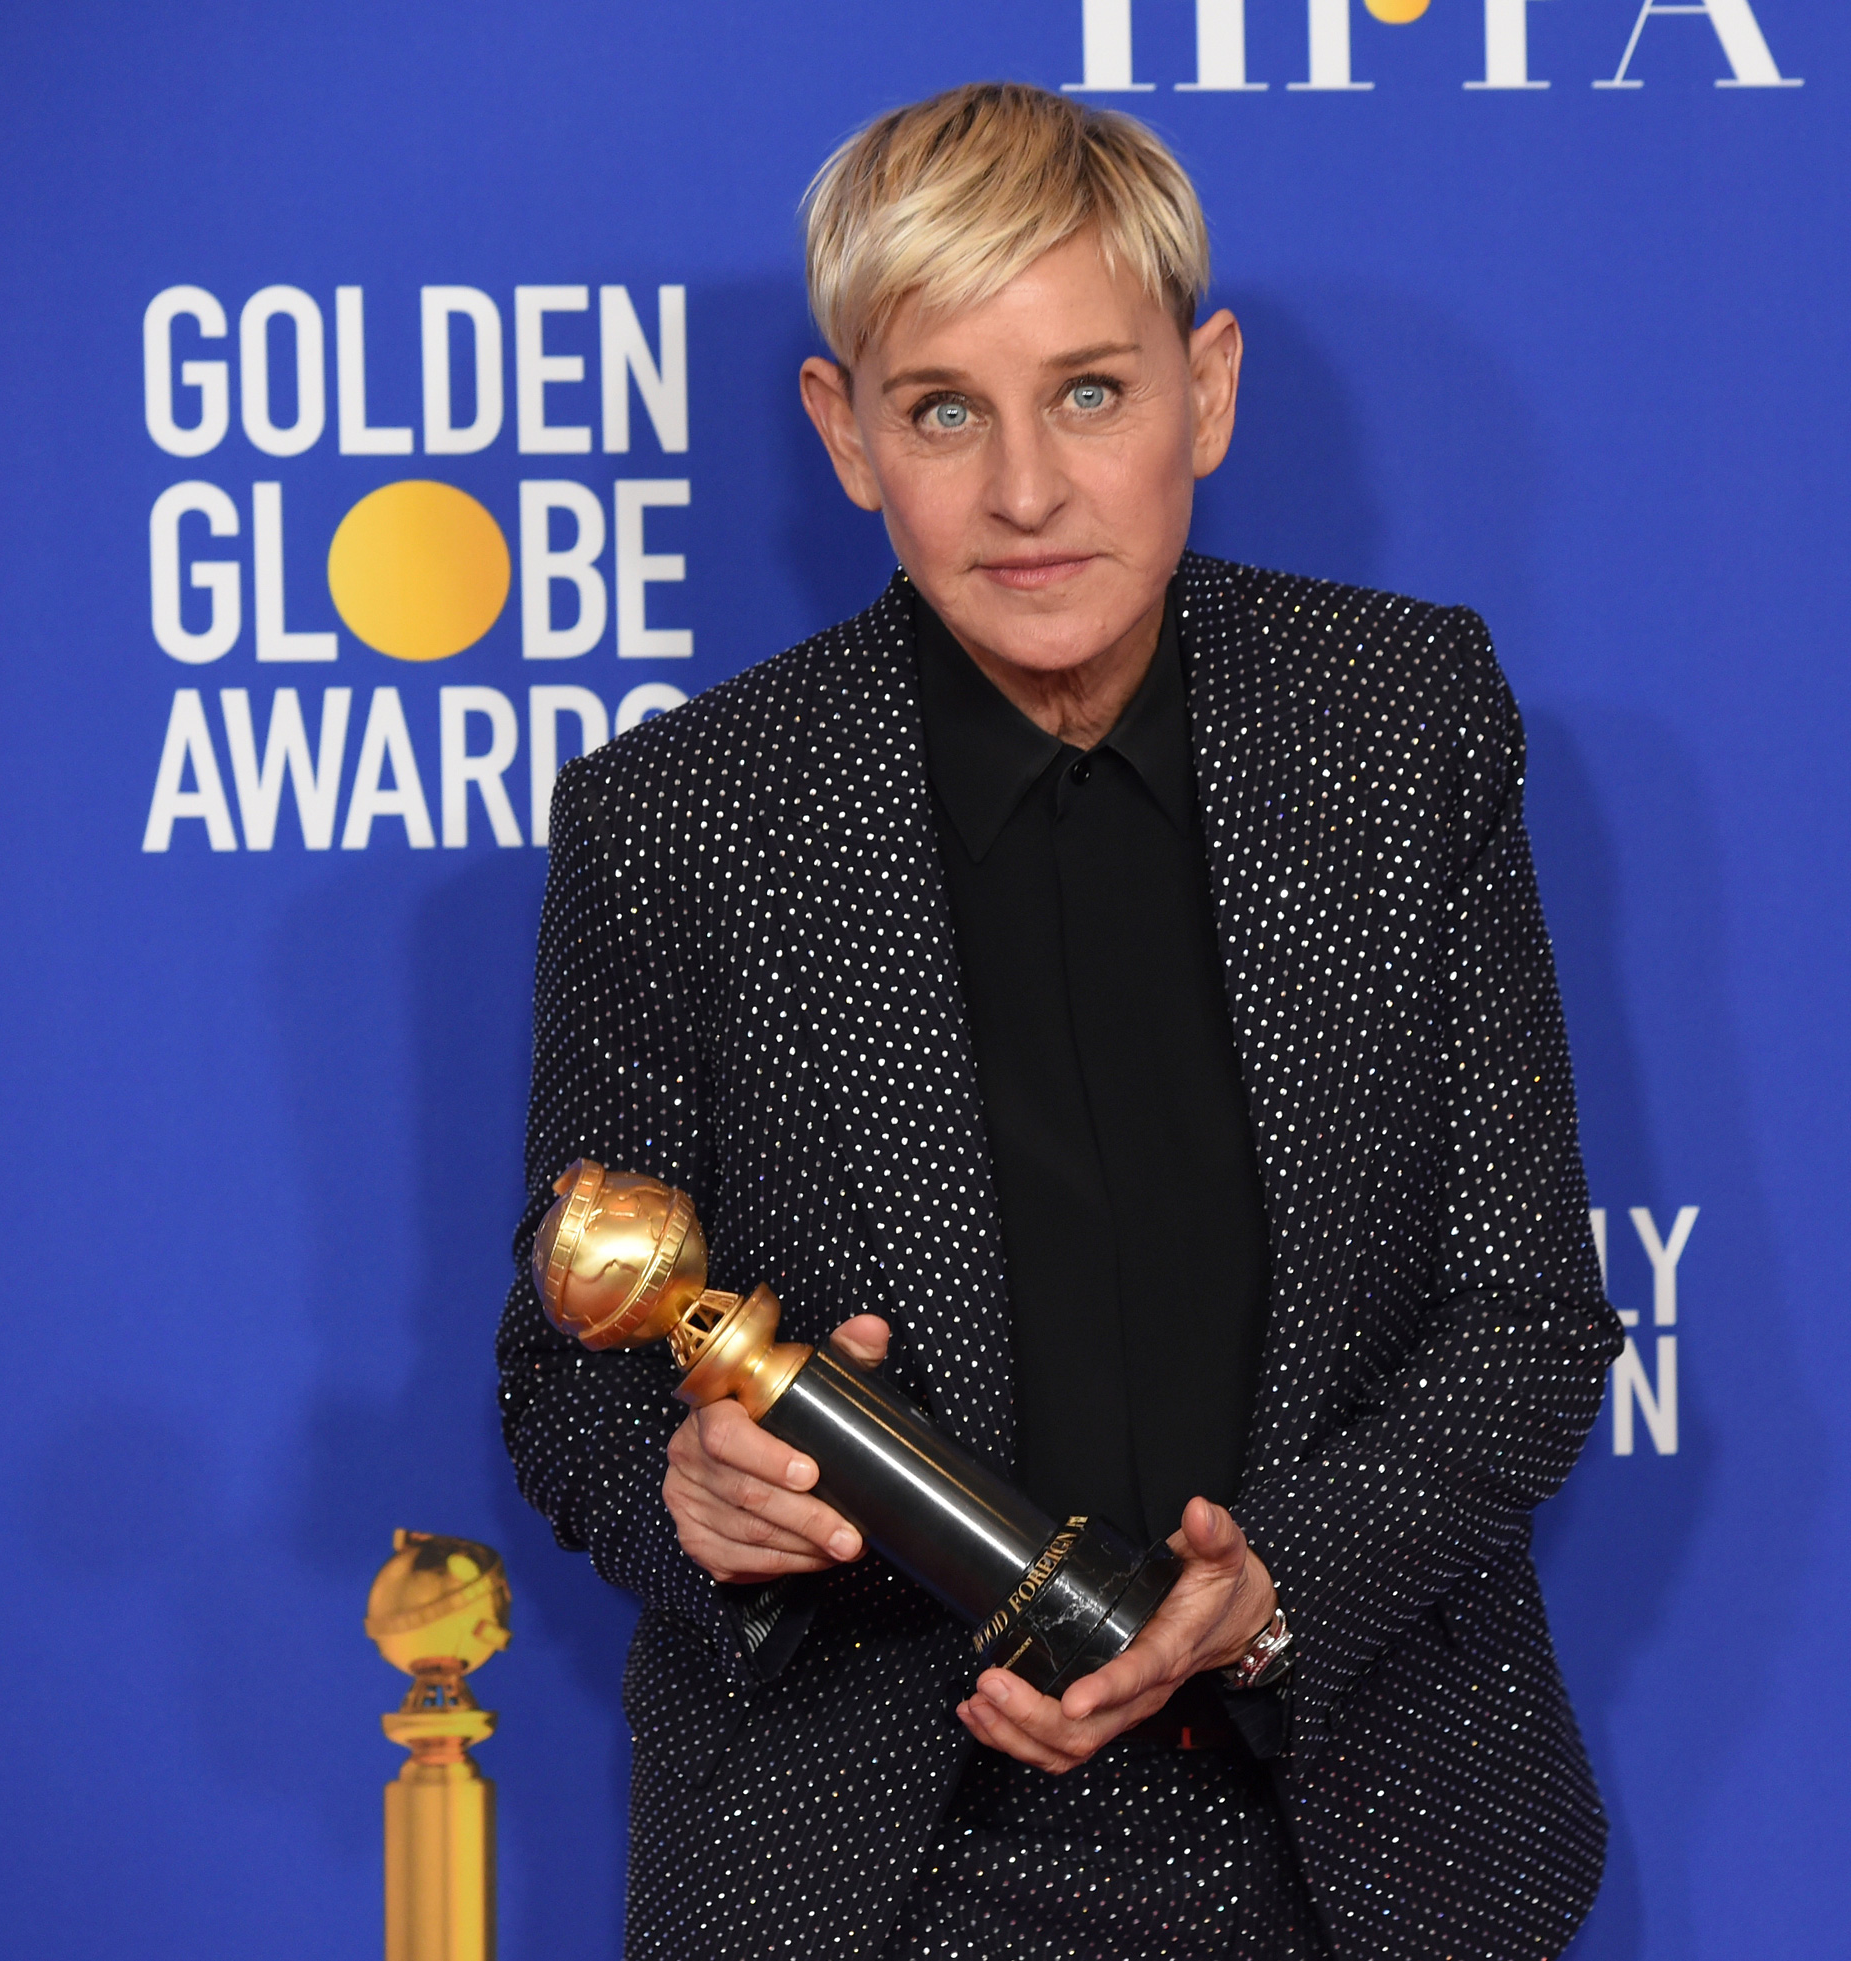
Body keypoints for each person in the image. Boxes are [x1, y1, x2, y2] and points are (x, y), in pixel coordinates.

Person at [496, 80, 1622, 1961]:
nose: (1027, 491)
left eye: (1090, 392)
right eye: (946, 409)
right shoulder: (683, 819)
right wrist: (687, 1490)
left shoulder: (1398, 725)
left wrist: (1273, 1595)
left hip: (1360, 1838)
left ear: (1212, 390)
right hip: (871, 1872)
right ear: (844, 433)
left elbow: (1524, 1322)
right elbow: (569, 1377)